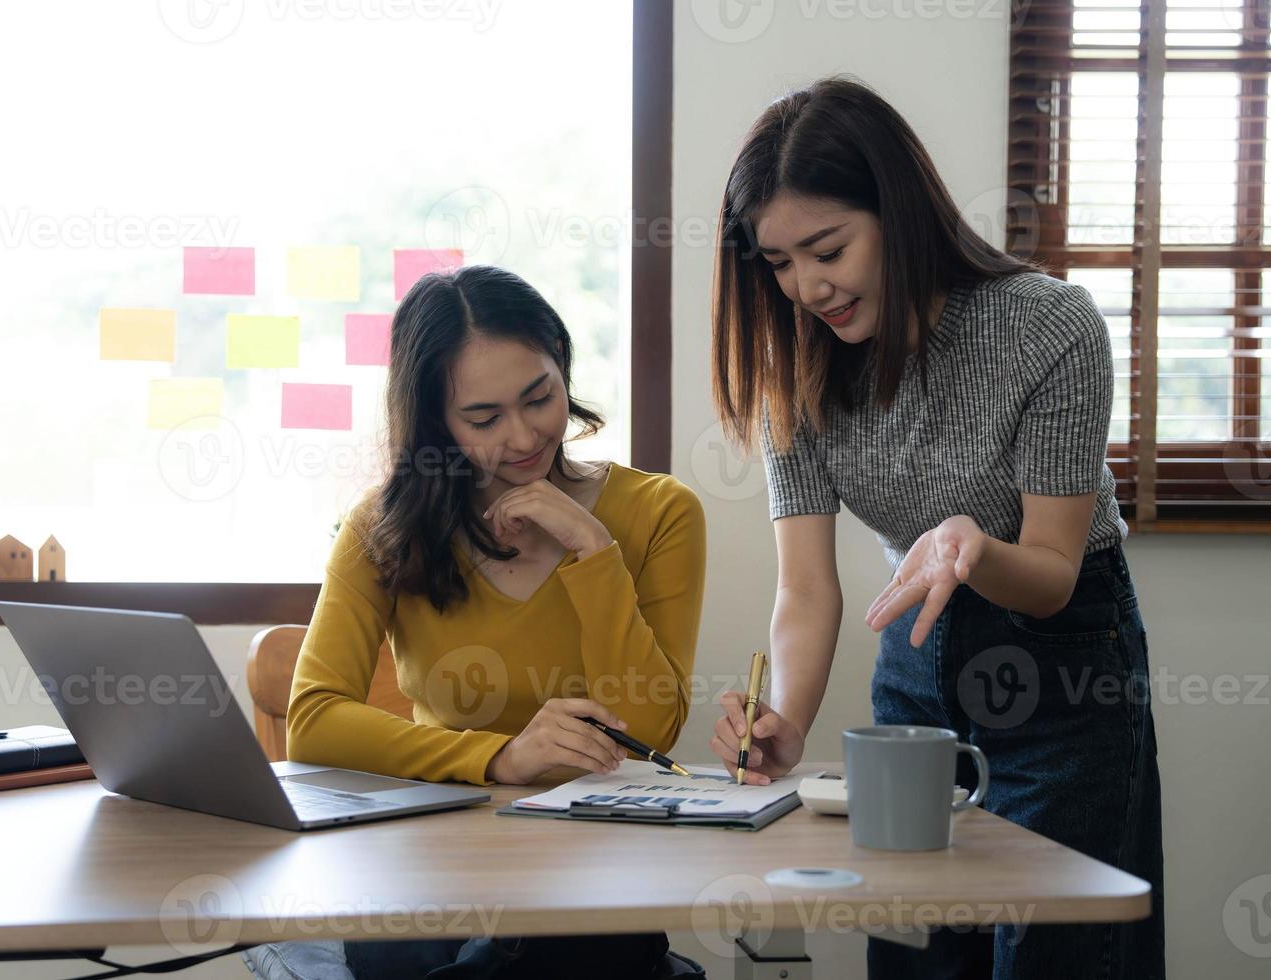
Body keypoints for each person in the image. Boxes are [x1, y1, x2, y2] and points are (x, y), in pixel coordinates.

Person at [705, 77, 1164, 980]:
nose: (808, 287)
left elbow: (1054, 570)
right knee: (915, 946)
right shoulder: (793, 372)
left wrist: (975, 546)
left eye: (828, 248)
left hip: (1064, 660)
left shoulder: (1048, 325)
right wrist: (787, 719)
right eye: (780, 263)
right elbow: (804, 585)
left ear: (899, 211)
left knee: (1057, 950)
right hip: (915, 665)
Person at [244, 264, 707, 980]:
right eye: (483, 419)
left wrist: (593, 549)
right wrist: (498, 759)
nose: (523, 437)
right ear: (436, 421)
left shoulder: (659, 512)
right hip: (432, 865)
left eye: (539, 397)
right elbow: (314, 719)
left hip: (593, 868)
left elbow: (652, 725)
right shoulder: (382, 528)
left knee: (571, 944)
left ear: (563, 364)